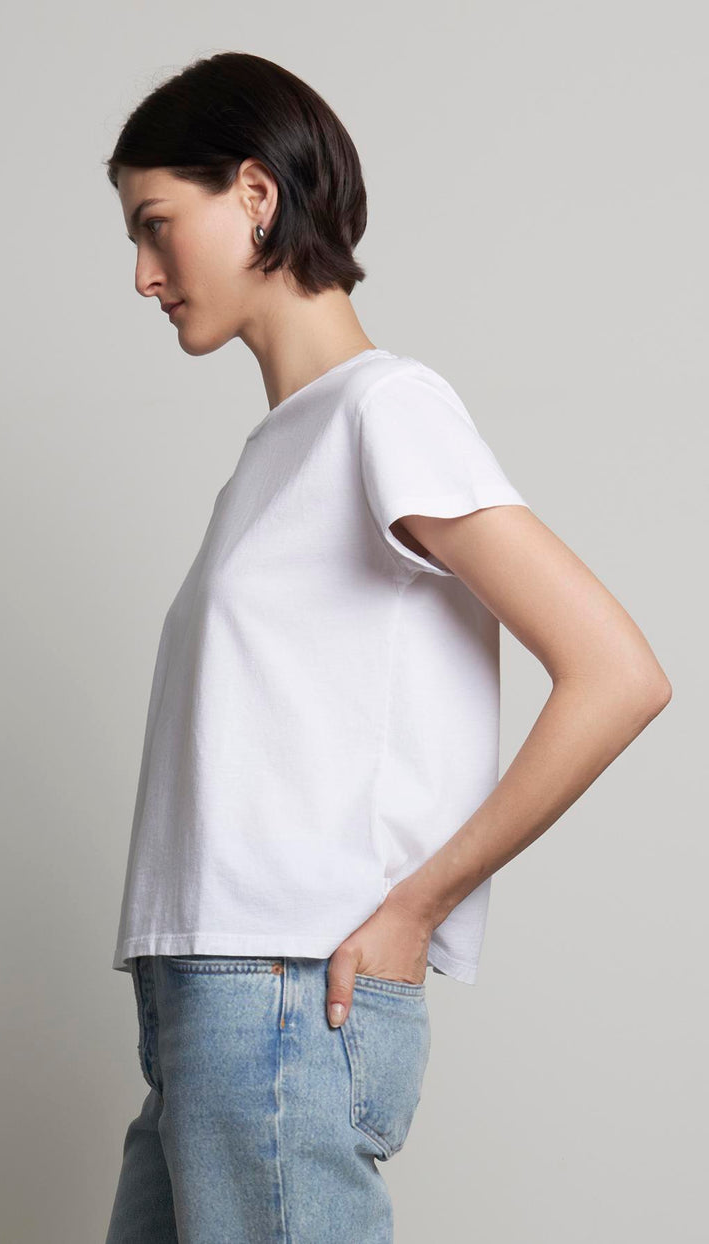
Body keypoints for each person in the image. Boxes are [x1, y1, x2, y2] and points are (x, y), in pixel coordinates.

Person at [102, 52, 671, 1244]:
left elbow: (617, 672)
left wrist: (418, 904)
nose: (144, 276)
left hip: (282, 993)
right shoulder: (279, 450)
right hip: (205, 1001)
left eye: (158, 225)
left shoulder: (381, 409)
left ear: (254, 195)